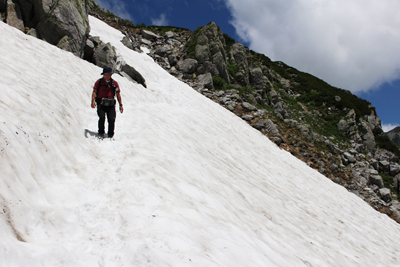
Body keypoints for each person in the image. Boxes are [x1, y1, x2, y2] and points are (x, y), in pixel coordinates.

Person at [91, 67, 123, 138]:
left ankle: (110, 134)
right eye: (106, 74)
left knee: (111, 119)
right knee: (102, 117)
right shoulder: (98, 82)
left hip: (111, 105)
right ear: (103, 74)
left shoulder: (114, 83)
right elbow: (94, 91)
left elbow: (118, 94)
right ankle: (101, 132)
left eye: (109, 74)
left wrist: (120, 105)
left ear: (111, 75)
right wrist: (92, 101)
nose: (107, 76)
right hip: (101, 104)